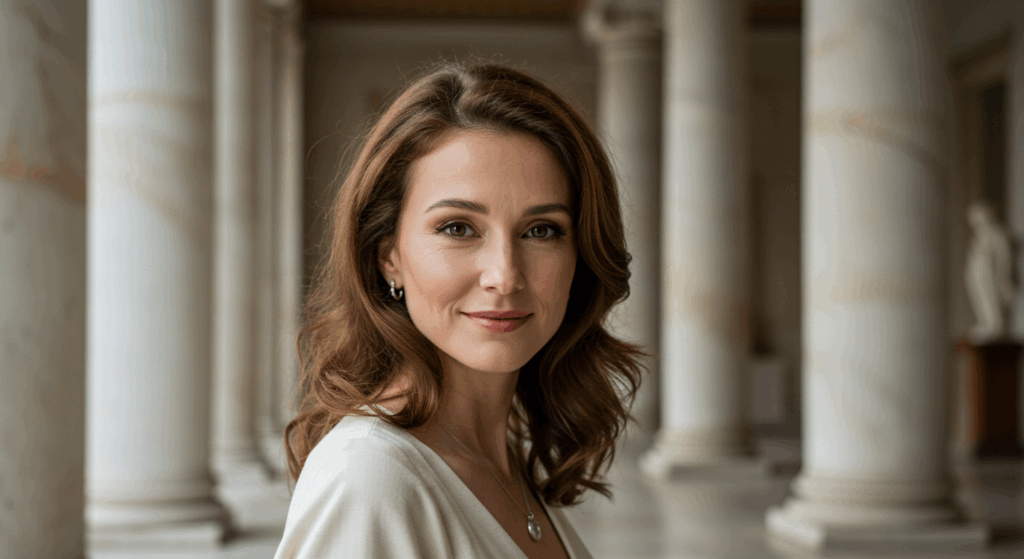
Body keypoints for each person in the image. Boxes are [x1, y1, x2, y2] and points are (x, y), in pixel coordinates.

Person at [274, 63, 646, 559]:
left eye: (541, 230)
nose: (504, 275)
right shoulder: (368, 481)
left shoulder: (502, 458)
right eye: (457, 228)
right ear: (388, 255)